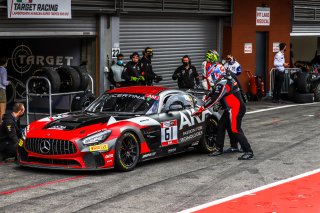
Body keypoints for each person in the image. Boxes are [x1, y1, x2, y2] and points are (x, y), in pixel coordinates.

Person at [193, 51, 254, 160]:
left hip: (236, 108)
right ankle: (225, 147)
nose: (211, 77)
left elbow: (215, 98)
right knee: (221, 126)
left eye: (211, 74)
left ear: (215, 73)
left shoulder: (223, 83)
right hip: (230, 108)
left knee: (235, 129)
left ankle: (248, 151)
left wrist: (202, 108)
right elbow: (213, 94)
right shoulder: (225, 78)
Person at [201, 50, 241, 153]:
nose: (213, 77)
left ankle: (242, 149)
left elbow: (217, 96)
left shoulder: (220, 71)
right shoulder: (214, 67)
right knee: (226, 126)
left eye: (214, 75)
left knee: (229, 127)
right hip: (228, 105)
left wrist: (204, 106)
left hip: (232, 106)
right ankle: (232, 146)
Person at [0, 56, 9, 124]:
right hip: (1, 90)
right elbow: (4, 82)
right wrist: (9, 82)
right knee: (2, 110)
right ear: (5, 62)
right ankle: (1, 127)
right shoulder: (3, 70)